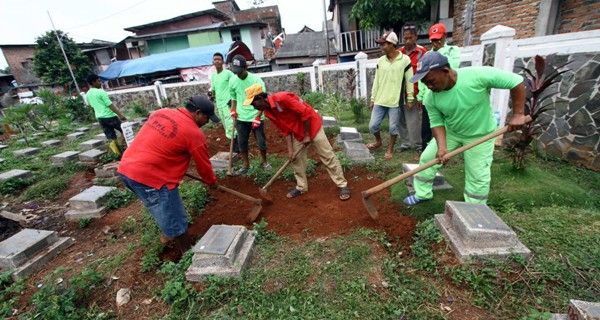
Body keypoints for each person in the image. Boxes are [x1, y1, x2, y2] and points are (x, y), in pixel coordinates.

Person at [403, 51, 527, 206]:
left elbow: (515, 81)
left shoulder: (477, 76)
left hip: (480, 135)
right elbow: (437, 123)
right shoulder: (430, 97)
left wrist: (518, 114)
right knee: (428, 158)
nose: (428, 86)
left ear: (445, 71)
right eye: (424, 83)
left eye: (431, 81)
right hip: (452, 132)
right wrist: (442, 147)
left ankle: (474, 209)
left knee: (477, 175)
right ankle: (422, 193)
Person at [117, 95, 219, 253]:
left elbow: (159, 141)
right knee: (175, 216)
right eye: (207, 118)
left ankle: (168, 231)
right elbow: (204, 166)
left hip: (126, 169)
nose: (206, 123)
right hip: (150, 177)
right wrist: (211, 181)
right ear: (198, 113)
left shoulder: (161, 112)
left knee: (159, 206)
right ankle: (187, 253)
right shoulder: (193, 133)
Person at [245, 84, 351, 200]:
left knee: (327, 155)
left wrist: (307, 135)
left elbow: (305, 113)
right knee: (296, 160)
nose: (253, 107)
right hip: (297, 132)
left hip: (312, 126)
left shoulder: (282, 98)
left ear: (260, 98)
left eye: (253, 104)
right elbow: (285, 130)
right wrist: (290, 151)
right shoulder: (268, 113)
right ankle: (301, 187)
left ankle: (342, 185)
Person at [368, 31, 414, 160]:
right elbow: (376, 81)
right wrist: (373, 98)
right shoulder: (381, 61)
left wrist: (410, 98)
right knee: (373, 126)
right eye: (381, 44)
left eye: (384, 44)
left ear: (392, 44)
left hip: (395, 101)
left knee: (393, 128)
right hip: (380, 100)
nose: (381, 47)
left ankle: (390, 149)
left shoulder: (405, 60)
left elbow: (410, 80)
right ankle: (378, 141)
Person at [417, 23, 461, 148]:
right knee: (426, 126)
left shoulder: (452, 51)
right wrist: (420, 96)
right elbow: (422, 79)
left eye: (438, 39)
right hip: (429, 97)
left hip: (445, 94)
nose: (436, 42)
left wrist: (439, 55)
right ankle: (425, 149)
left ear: (444, 36)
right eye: (433, 40)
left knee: (442, 124)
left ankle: (442, 147)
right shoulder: (426, 56)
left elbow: (452, 67)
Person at [229, 54, 270, 175]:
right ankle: (246, 164)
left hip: (256, 116)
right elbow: (233, 98)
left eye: (240, 71)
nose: (237, 74)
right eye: (235, 72)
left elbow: (263, 102)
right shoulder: (233, 80)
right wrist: (232, 110)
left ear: (245, 67)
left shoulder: (256, 81)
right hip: (241, 117)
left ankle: (264, 162)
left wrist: (258, 117)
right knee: (242, 142)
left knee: (261, 142)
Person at [398, 24, 428, 151]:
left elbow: (425, 72)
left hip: (415, 91)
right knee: (401, 119)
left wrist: (422, 93)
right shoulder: (399, 53)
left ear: (415, 37)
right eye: (405, 38)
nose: (407, 41)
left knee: (414, 119)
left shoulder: (422, 52)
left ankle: (417, 144)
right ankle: (405, 143)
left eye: (410, 38)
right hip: (399, 92)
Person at [85, 74, 127, 156]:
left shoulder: (88, 94)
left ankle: (117, 154)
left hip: (100, 118)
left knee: (111, 137)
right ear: (93, 82)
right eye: (98, 81)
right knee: (124, 130)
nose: (100, 83)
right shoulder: (101, 91)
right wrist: (121, 115)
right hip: (110, 116)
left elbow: (91, 105)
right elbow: (110, 105)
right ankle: (122, 146)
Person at [209, 52, 236, 149]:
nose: (217, 61)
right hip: (219, 105)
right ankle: (234, 147)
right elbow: (213, 89)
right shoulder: (213, 76)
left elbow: (235, 84)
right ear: (213, 61)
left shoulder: (228, 73)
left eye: (219, 59)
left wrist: (232, 99)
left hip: (228, 104)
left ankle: (236, 147)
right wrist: (211, 95)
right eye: (215, 59)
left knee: (230, 125)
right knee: (225, 125)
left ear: (222, 61)